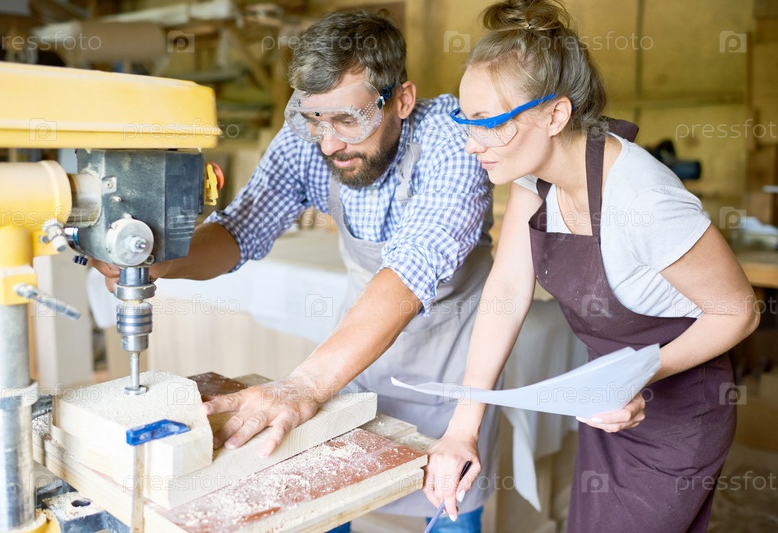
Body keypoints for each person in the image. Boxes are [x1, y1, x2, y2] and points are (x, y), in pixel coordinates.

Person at [95, 9, 499, 531]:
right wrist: (163, 259)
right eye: (314, 120)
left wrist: (303, 385)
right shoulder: (312, 137)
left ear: (402, 100)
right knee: (328, 498)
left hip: (454, 381)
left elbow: (409, 274)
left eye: (348, 121)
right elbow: (240, 230)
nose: (328, 143)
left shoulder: (452, 139)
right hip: (352, 367)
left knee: (449, 511)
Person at [423, 0, 760, 531]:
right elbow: (507, 289)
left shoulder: (642, 198)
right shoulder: (535, 177)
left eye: (489, 123)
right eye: (467, 122)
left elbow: (739, 311)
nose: (471, 144)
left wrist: (640, 375)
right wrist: (464, 425)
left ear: (556, 115)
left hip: (679, 415)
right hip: (608, 404)